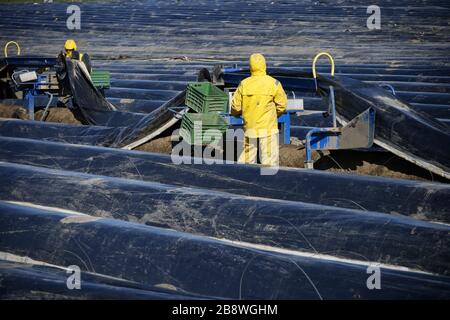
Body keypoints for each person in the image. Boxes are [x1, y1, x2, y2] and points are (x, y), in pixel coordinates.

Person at [231, 53, 287, 166]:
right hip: (268, 129)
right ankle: (267, 181)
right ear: (264, 65)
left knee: (246, 161)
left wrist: (239, 114)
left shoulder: (244, 84)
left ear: (250, 66)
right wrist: (273, 116)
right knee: (269, 163)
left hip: (250, 128)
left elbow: (235, 107)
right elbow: (282, 105)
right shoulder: (274, 83)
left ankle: (242, 180)